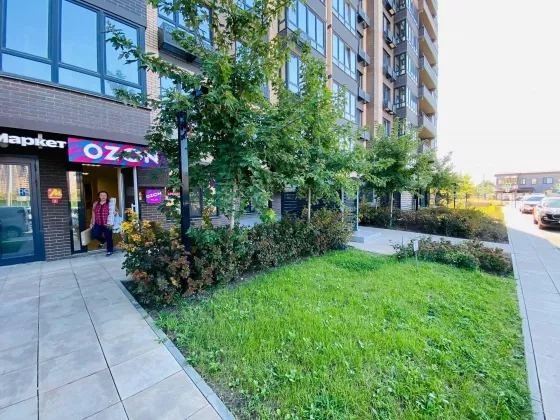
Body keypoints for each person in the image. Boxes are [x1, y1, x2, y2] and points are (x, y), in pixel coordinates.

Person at [90, 191, 115, 257]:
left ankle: (110, 250)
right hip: (98, 223)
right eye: (101, 195)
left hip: (108, 223)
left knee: (108, 237)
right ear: (99, 196)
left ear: (107, 196)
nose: (103, 196)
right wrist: (92, 222)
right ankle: (103, 241)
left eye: (105, 195)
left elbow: (117, 211)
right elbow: (93, 213)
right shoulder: (95, 204)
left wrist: (115, 213)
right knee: (95, 234)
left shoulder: (110, 203)